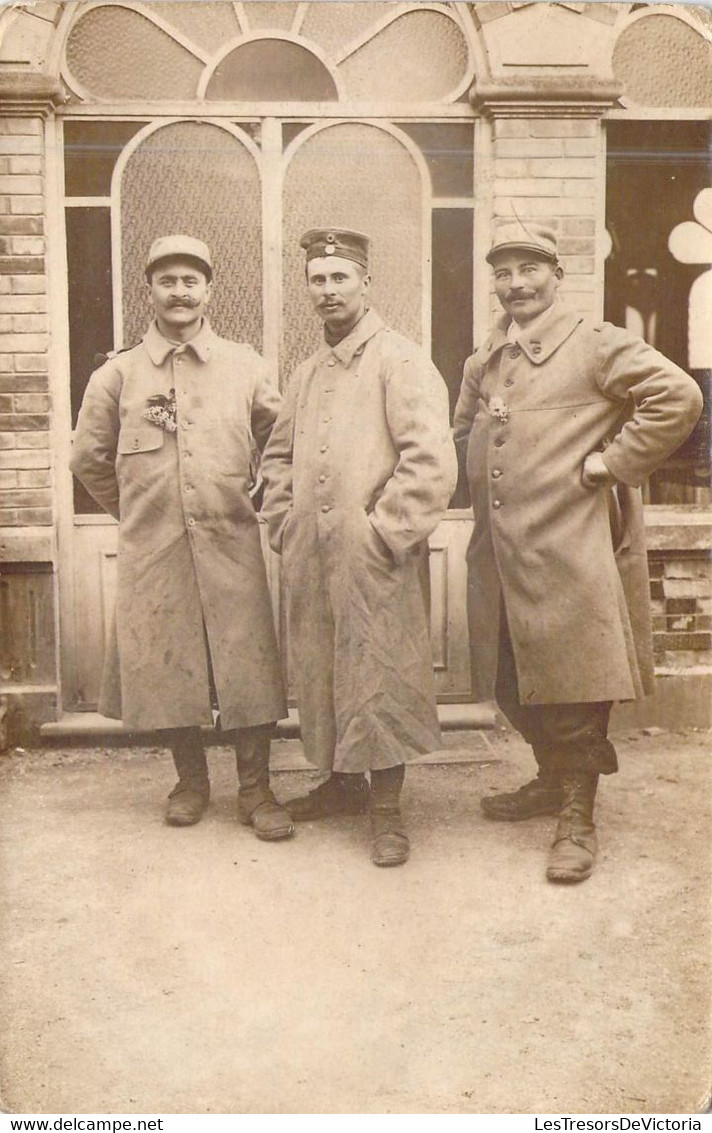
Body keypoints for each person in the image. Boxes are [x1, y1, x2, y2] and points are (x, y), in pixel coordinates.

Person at [453, 220, 703, 883]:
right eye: (503, 273)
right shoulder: (487, 360)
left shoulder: (595, 344)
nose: (515, 285)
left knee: (575, 685)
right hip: (500, 554)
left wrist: (608, 464)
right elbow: (462, 431)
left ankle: (577, 813)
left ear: (556, 276)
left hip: (569, 550)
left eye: (529, 269)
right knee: (511, 680)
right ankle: (547, 778)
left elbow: (678, 396)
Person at [71, 234, 294, 840]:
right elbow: (88, 458)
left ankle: (256, 788)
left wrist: (261, 494)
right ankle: (190, 782)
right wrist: (141, 510)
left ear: (208, 290)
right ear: (150, 290)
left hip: (230, 540)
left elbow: (280, 442)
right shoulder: (117, 375)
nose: (179, 292)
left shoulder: (245, 366)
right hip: (157, 545)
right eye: (167, 281)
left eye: (190, 281)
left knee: (247, 663)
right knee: (168, 664)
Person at [260, 228, 457, 866]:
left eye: (339, 278)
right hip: (313, 553)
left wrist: (384, 532)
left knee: (380, 674)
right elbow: (280, 456)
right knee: (323, 670)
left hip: (373, 554)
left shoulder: (399, 358)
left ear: (365, 283)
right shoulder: (306, 371)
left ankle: (389, 812)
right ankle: (343, 784)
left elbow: (430, 461)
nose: (327, 291)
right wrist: (281, 519)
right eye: (317, 279)